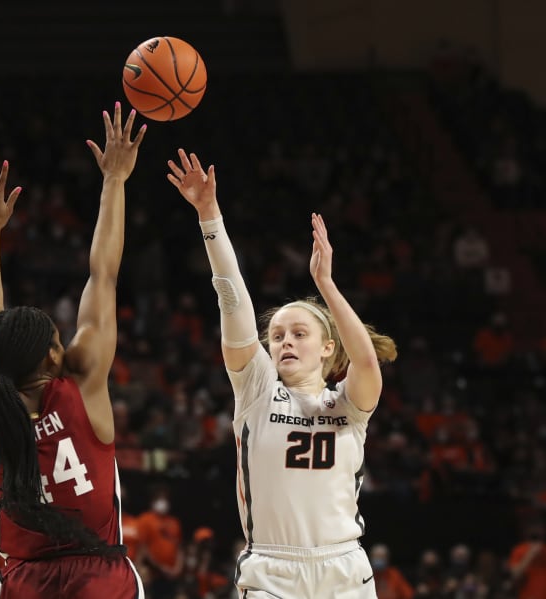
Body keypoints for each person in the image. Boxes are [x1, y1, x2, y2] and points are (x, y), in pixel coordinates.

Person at [167, 149, 397, 598]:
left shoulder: (348, 403)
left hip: (344, 568)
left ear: (329, 348)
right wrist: (209, 216)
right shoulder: (256, 388)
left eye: (298, 333)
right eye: (276, 336)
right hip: (272, 569)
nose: (284, 341)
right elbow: (232, 300)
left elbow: (367, 361)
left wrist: (326, 286)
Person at [0, 103, 146, 599]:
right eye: (58, 341)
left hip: (25, 581)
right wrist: (115, 180)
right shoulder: (82, 382)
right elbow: (103, 275)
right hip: (99, 577)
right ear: (51, 357)